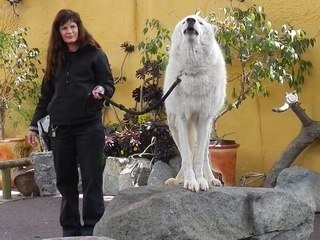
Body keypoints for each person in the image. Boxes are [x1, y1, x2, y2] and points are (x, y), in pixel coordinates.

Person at [27, 9, 115, 237]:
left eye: (73, 26)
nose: (69, 31)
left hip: (89, 126)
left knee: (91, 178)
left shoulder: (95, 54)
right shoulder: (55, 58)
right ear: (59, 31)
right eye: (64, 27)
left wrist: (101, 89)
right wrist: (33, 125)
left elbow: (108, 83)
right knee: (65, 181)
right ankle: (70, 228)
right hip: (60, 129)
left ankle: (92, 226)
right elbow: (46, 96)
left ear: (79, 27)